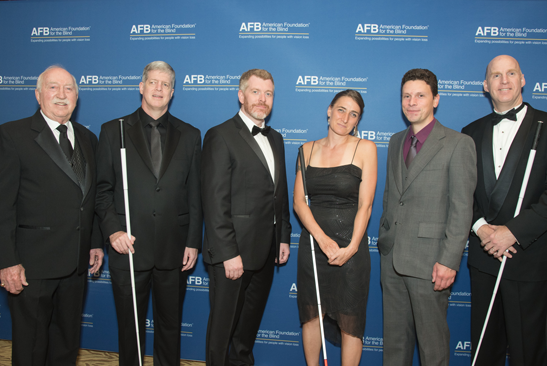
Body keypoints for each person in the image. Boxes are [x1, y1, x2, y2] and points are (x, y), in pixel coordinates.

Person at [462, 55, 547, 366]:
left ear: (522, 79)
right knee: (484, 351)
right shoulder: (469, 133)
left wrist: (512, 232)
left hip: (527, 261)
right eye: (496, 75)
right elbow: (462, 194)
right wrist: (482, 229)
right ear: (485, 86)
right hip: (484, 259)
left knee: (529, 354)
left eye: (510, 73)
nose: (504, 80)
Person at [0, 65, 103, 366]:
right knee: (32, 348)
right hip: (30, 267)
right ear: (38, 95)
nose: (62, 95)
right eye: (53, 88)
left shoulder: (89, 138)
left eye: (69, 89)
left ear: (77, 96)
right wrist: (6, 262)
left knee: (65, 345)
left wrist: (96, 242)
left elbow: (91, 198)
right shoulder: (12, 135)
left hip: (75, 266)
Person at [96, 61, 202, 366]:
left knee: (170, 327)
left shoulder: (190, 135)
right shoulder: (113, 130)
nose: (159, 89)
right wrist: (113, 231)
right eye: (153, 82)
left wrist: (193, 241)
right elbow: (102, 190)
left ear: (172, 92)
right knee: (130, 328)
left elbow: (195, 193)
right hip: (128, 247)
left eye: (166, 84)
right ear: (141, 87)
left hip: (174, 249)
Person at [378, 68, 477, 365]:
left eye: (420, 95)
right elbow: (392, 195)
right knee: (395, 347)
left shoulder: (458, 143)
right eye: (406, 96)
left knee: (433, 349)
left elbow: (462, 208)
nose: (412, 102)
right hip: (392, 258)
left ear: (435, 100)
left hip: (430, 261)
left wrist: (449, 260)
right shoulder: (396, 140)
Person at [201, 68, 291, 366]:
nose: (262, 99)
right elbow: (214, 202)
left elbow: (280, 193)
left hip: (265, 252)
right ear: (241, 95)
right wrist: (228, 253)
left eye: (268, 94)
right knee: (222, 332)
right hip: (233, 254)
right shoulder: (220, 135)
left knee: (246, 332)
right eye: (255, 92)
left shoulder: (276, 138)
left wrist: (284, 237)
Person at [293, 90, 377, 366]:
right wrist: (322, 240)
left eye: (354, 114)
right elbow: (299, 203)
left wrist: (351, 247)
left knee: (350, 319)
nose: (346, 118)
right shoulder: (306, 150)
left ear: (358, 120)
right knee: (311, 316)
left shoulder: (366, 148)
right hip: (313, 247)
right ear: (329, 110)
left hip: (350, 248)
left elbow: (365, 205)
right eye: (341, 110)